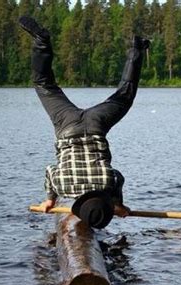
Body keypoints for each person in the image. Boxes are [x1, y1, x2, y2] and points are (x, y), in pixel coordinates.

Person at [19, 16, 149, 229]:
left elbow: (119, 177)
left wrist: (118, 205)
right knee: (44, 84)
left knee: (124, 95)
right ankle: (41, 41)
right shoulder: (64, 187)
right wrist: (50, 199)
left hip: (96, 125)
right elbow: (50, 171)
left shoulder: (108, 182)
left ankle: (137, 48)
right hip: (66, 125)